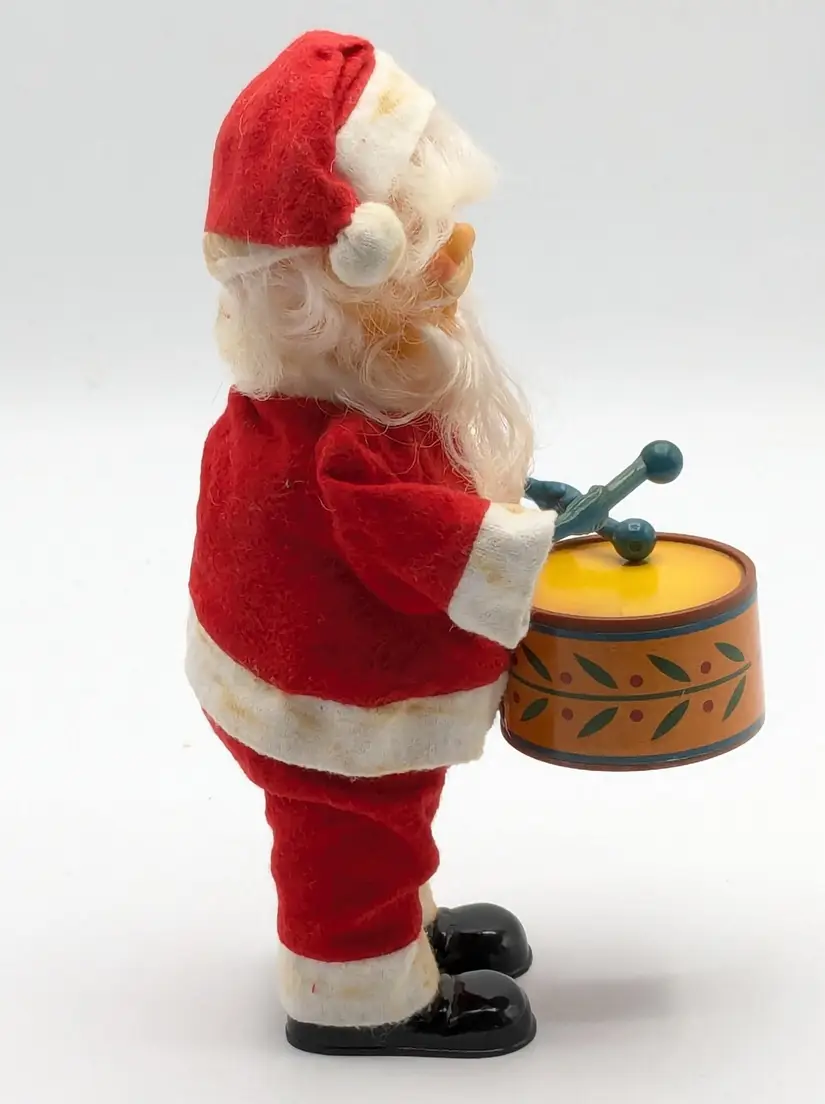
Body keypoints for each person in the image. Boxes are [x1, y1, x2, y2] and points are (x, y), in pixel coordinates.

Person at [186, 28, 560, 1058]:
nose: (460, 256)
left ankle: (402, 932)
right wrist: (514, 544)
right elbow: (422, 544)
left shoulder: (318, 403)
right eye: (433, 245)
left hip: (312, 682)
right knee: (350, 836)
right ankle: (356, 994)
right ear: (346, 277)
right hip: (327, 706)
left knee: (380, 816)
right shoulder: (343, 451)